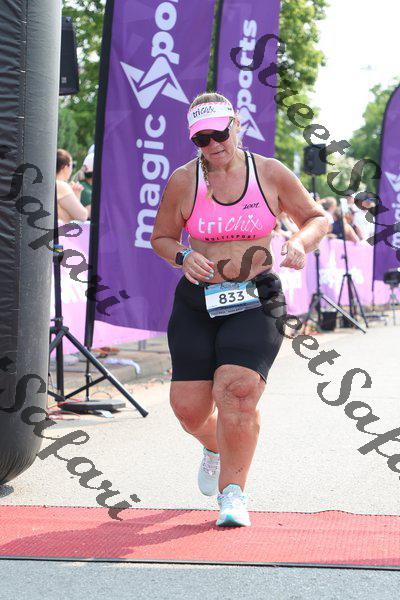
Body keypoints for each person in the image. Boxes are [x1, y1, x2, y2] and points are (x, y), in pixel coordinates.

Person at [150, 92, 329, 528]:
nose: (213, 145)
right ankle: (215, 445)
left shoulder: (269, 172)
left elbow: (317, 217)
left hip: (256, 296)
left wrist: (298, 242)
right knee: (189, 409)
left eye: (220, 133)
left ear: (236, 125)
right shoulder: (183, 181)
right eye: (202, 139)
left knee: (238, 391)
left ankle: (233, 492)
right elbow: (162, 237)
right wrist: (182, 256)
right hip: (199, 300)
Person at [56, 149, 90, 224]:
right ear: (65, 167)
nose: (72, 169)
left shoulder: (51, 184)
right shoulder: (62, 186)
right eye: (72, 165)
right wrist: (77, 194)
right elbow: (83, 216)